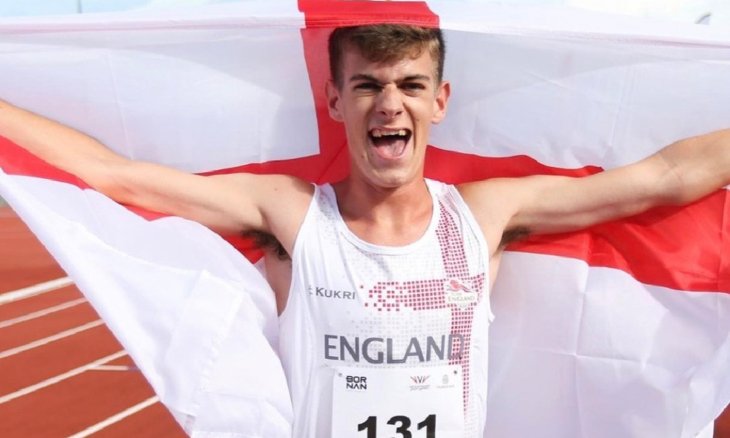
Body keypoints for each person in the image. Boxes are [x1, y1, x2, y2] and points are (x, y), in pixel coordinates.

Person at [0, 24, 728, 437]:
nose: (390, 104)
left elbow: (661, 178)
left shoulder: (482, 214)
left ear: (438, 102)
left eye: (410, 85)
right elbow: (116, 175)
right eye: (368, 86)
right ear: (335, 101)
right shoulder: (289, 211)